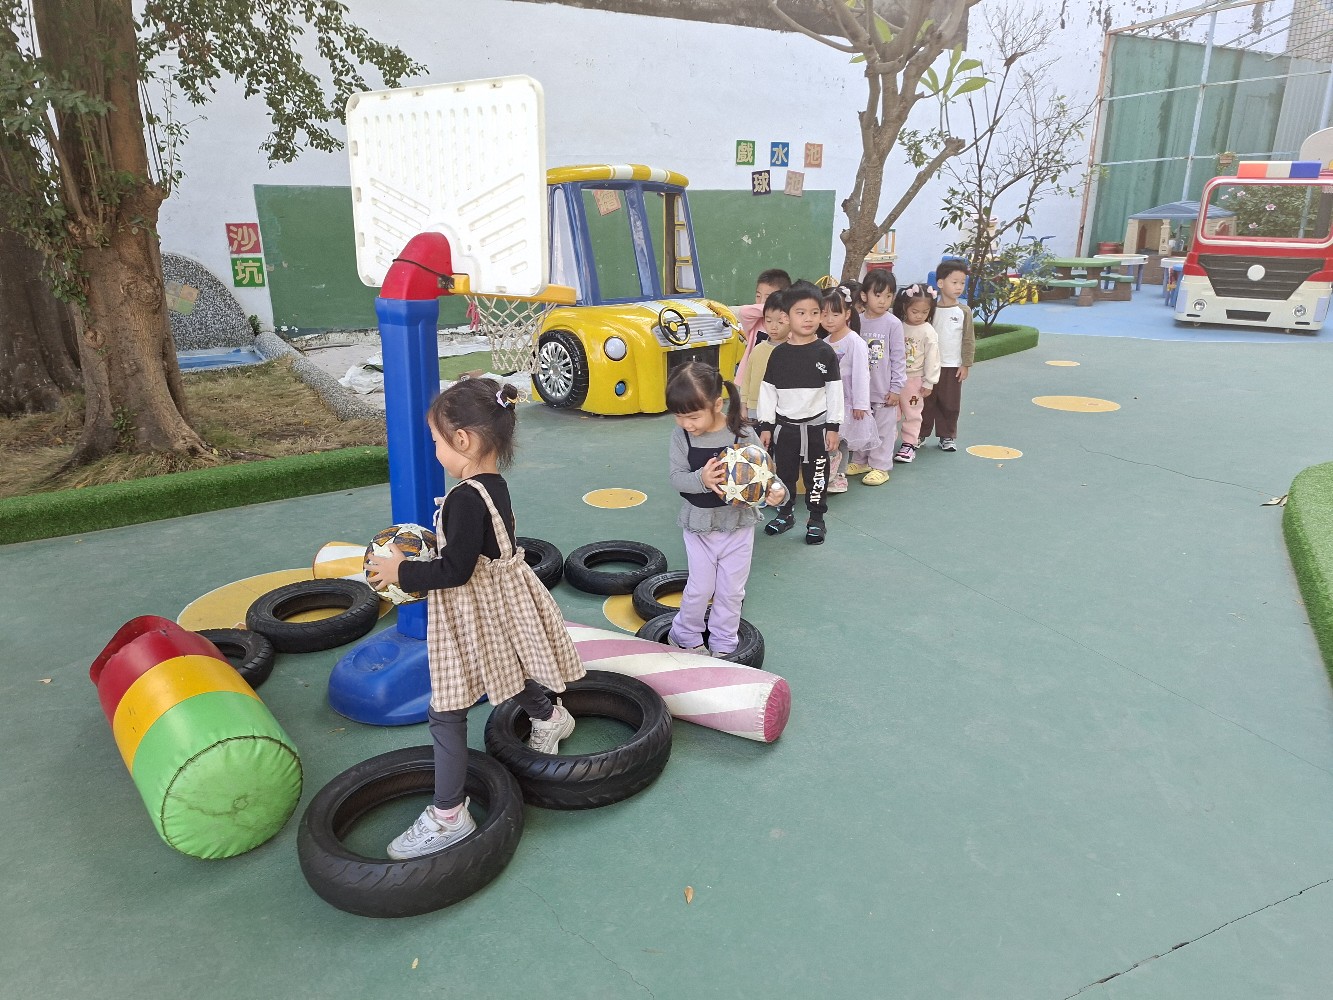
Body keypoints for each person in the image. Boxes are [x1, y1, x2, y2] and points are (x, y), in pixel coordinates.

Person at [365, 378, 586, 860]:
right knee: (512, 666)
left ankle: (449, 814)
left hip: (475, 610)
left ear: (462, 440)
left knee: (446, 710)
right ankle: (550, 716)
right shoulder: (492, 486)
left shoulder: (465, 498)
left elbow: (454, 571)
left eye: (437, 441)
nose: (436, 451)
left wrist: (400, 570)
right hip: (500, 602)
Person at [665, 362, 762, 657]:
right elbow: (676, 478)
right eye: (679, 416)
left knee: (732, 591)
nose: (686, 424)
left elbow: (764, 472)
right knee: (700, 588)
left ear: (717, 404)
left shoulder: (741, 434)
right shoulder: (681, 437)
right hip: (700, 527)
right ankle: (684, 635)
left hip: (738, 525)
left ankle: (723, 643)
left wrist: (775, 491)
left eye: (693, 416)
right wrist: (702, 479)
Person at [755, 283, 843, 544]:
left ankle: (816, 519)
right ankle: (785, 514)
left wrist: (833, 426)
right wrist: (766, 425)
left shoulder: (825, 352)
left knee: (817, 476)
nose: (808, 319)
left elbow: (835, 392)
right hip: (785, 430)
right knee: (784, 475)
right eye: (800, 313)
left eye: (815, 313)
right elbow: (768, 391)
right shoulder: (778, 354)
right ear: (787, 316)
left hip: (817, 429)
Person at [846, 270, 905, 487]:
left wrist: (896, 388)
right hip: (861, 391)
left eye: (888, 296)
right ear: (864, 296)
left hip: (884, 391)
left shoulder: (893, 324)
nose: (883, 301)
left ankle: (881, 466)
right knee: (861, 425)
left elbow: (898, 358)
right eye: (878, 295)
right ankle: (860, 461)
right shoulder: (856, 321)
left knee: (883, 430)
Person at [820, 284, 877, 493]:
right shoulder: (824, 342)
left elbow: (862, 374)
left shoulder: (855, 342)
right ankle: (829, 473)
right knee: (830, 438)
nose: (829, 320)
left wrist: (861, 404)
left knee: (842, 439)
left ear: (847, 314)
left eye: (835, 314)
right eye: (824, 314)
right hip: (829, 401)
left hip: (848, 401)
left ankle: (840, 475)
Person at [922, 261, 975, 452]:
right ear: (940, 283)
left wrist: (965, 364)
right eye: (954, 282)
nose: (959, 287)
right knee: (925, 402)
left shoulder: (964, 311)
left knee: (950, 403)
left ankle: (947, 435)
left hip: (952, 366)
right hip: (928, 366)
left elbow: (968, 339)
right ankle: (919, 434)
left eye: (962, 283)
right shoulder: (930, 309)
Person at [891, 283, 942, 465]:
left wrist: (929, 382)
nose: (919, 315)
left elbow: (933, 358)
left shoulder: (928, 331)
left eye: (924, 312)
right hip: (895, 378)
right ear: (905, 307)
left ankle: (909, 444)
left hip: (914, 379)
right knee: (890, 412)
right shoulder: (897, 326)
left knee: (912, 413)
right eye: (915, 311)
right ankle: (887, 442)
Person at [734, 268, 793, 384]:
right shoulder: (754, 321)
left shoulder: (788, 324)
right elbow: (744, 312)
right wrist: (773, 306)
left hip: (776, 381)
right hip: (750, 380)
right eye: (758, 296)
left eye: (768, 297)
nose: (761, 302)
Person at [741, 290, 789, 415]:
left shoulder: (794, 350)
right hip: (755, 408)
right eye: (768, 321)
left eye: (780, 322)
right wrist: (744, 404)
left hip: (782, 410)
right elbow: (747, 379)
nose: (773, 327)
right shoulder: (758, 349)